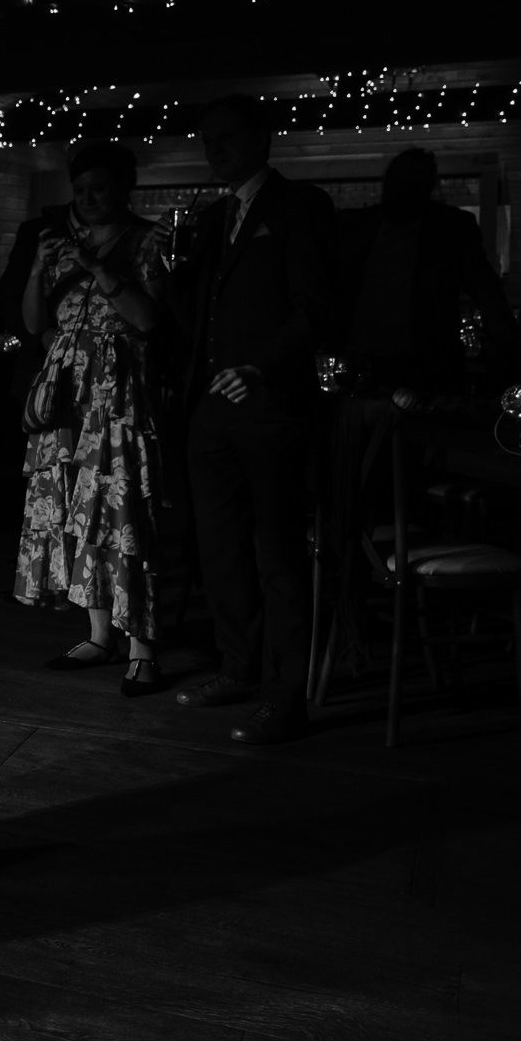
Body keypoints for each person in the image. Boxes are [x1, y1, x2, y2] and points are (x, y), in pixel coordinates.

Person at [166, 95, 334, 745]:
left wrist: (262, 368)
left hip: (271, 411)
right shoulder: (211, 218)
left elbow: (316, 307)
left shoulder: (300, 207)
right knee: (220, 553)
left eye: (227, 137)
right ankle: (236, 668)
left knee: (278, 557)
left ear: (263, 138)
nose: (216, 150)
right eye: (207, 139)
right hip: (210, 412)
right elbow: (193, 320)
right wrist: (172, 271)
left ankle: (285, 698)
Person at [12, 140, 168, 696]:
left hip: (117, 397)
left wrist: (97, 266)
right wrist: (37, 266)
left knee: (120, 512)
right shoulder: (58, 247)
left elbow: (148, 320)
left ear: (124, 188)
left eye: (99, 188)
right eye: (80, 191)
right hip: (66, 399)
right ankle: (99, 633)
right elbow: (34, 324)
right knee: (76, 510)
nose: (88, 199)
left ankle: (142, 646)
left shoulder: (151, 242)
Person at [337, 147, 521, 400]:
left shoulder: (450, 229)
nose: (402, 190)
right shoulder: (359, 227)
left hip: (426, 360)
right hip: (368, 360)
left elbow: (486, 291)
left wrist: (507, 344)